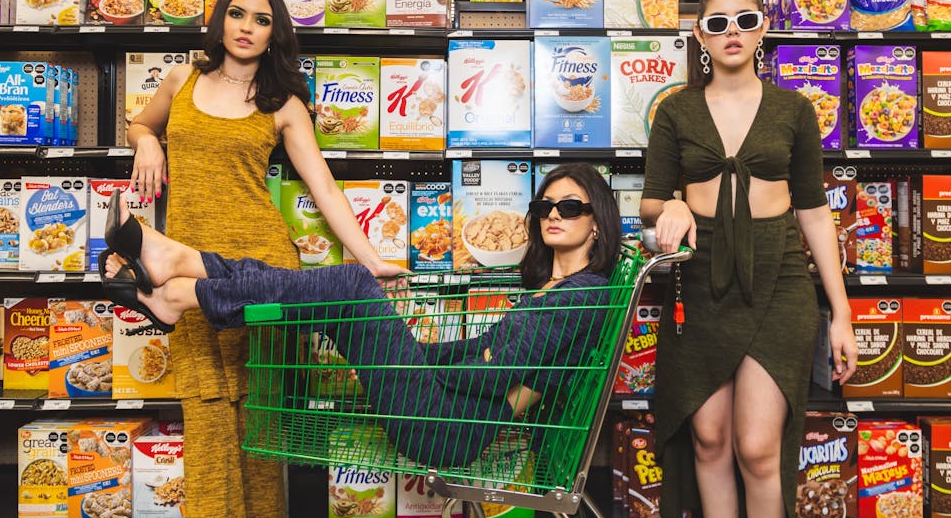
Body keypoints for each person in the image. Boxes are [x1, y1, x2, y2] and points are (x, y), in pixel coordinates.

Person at [125, 0, 402, 518]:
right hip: (187, 271)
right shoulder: (181, 79)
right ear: (220, 20)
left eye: (262, 19)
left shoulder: (283, 103)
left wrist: (370, 260)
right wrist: (147, 140)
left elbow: (323, 188)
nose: (247, 27)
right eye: (238, 14)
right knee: (207, 428)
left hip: (262, 269)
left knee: (260, 434)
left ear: (275, 34)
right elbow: (142, 122)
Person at [101, 162, 621, 467]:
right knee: (332, 289)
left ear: (597, 220)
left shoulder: (584, 293)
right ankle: (184, 273)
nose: (554, 214)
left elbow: (491, 374)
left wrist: (420, 363)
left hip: (452, 429)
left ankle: (180, 278)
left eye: (571, 207)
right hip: (447, 410)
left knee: (349, 283)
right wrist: (417, 353)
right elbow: (477, 354)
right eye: (545, 206)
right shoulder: (551, 286)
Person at [641, 0, 859, 518]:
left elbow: (814, 212)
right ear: (700, 35)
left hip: (780, 280)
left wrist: (841, 314)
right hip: (700, 281)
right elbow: (651, 198)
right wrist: (675, 203)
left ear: (763, 28)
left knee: (758, 445)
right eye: (717, 24)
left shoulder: (794, 109)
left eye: (744, 20)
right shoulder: (676, 110)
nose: (731, 32)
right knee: (710, 439)